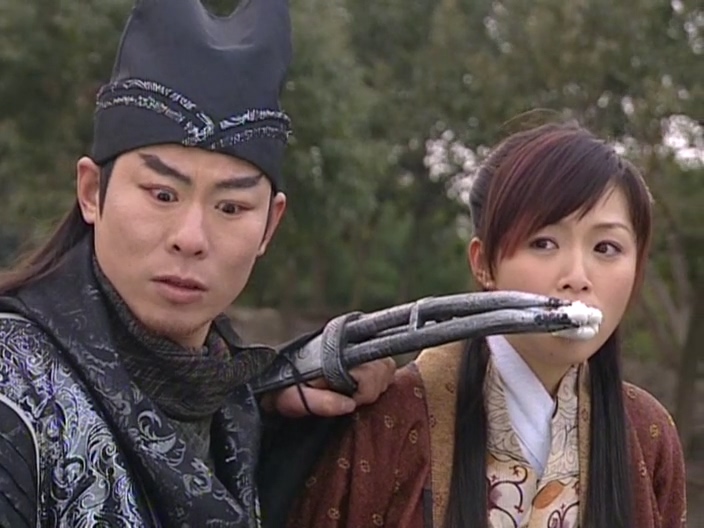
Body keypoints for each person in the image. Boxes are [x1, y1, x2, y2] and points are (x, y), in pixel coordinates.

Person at [0, 1, 395, 526]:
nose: (191, 238)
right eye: (162, 194)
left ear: (269, 226)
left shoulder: (241, 409)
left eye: (230, 208)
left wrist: (290, 428)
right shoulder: (14, 389)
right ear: (92, 192)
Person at [285, 121, 688, 528]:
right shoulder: (390, 420)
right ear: (484, 264)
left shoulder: (647, 433)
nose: (577, 277)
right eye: (544, 243)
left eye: (606, 247)